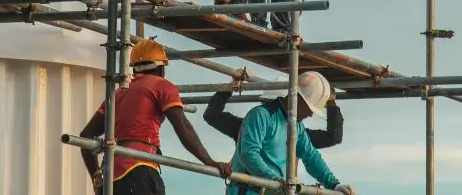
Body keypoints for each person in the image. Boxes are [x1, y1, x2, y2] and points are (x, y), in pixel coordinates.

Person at [79, 39, 232, 194]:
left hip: (111, 176)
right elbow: (182, 125)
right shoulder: (161, 85)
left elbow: (86, 136)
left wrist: (96, 177)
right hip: (139, 168)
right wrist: (209, 161)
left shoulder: (117, 93)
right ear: (160, 67)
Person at [225, 72, 356, 195]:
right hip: (248, 191)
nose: (310, 114)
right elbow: (249, 154)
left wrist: (334, 185)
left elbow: (311, 156)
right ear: (297, 97)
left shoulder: (297, 126)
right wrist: (276, 180)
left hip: (274, 190)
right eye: (310, 108)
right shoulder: (261, 115)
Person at [202, 83, 343, 149]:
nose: (269, 111)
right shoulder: (247, 126)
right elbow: (212, 116)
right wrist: (230, 86)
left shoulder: (296, 135)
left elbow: (333, 137)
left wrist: (331, 103)